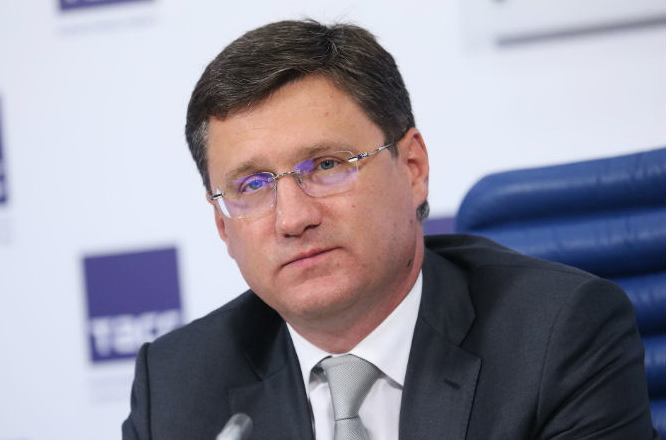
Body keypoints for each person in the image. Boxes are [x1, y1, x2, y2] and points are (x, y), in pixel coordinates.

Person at [122, 19, 658, 440]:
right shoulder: (175, 388)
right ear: (222, 224)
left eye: (326, 165)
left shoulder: (557, 334)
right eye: (252, 185)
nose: (293, 218)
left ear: (413, 168)